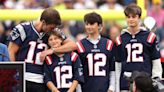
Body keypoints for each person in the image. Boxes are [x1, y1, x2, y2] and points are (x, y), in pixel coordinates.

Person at [8, 8, 77, 92]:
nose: (53, 30)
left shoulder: (53, 32)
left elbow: (73, 45)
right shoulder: (23, 29)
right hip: (23, 76)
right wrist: (14, 74)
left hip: (41, 79)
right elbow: (11, 51)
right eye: (51, 27)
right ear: (43, 22)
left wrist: (53, 50)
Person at [115, 4, 162, 91]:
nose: (131, 19)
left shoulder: (150, 36)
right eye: (128, 17)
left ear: (139, 18)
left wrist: (156, 79)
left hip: (145, 82)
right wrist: (116, 86)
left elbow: (156, 60)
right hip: (126, 82)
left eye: (134, 17)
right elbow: (118, 65)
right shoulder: (120, 39)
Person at [76, 12, 115, 92]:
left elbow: (112, 69)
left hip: (104, 88)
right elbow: (78, 72)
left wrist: (111, 88)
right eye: (87, 24)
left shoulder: (108, 44)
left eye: (92, 24)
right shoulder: (80, 45)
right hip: (87, 88)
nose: (89, 27)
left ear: (99, 26)